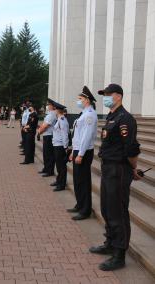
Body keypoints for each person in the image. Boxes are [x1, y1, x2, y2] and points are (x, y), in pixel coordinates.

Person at [89, 84, 140, 271]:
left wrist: (133, 168)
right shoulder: (112, 116)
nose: (105, 98)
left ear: (118, 96)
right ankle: (110, 242)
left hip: (119, 169)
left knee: (117, 211)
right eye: (104, 95)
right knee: (107, 208)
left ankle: (119, 254)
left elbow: (131, 148)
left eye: (108, 95)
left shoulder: (125, 118)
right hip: (108, 167)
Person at [68, 86, 98, 221]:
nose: (78, 101)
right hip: (78, 150)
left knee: (83, 181)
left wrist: (80, 154)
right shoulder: (84, 113)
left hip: (84, 152)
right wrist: (73, 152)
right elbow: (77, 136)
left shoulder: (90, 115)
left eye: (80, 99)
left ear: (87, 100)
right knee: (77, 180)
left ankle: (85, 210)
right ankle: (80, 204)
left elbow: (86, 136)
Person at [50, 101, 69, 191]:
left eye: (55, 109)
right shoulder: (59, 120)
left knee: (61, 166)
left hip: (60, 146)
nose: (54, 111)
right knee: (58, 165)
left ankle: (62, 184)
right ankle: (59, 181)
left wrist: (65, 147)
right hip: (57, 145)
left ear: (57, 110)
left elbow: (65, 135)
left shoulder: (62, 120)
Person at [37, 99, 57, 177]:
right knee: (46, 154)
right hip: (46, 135)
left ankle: (49, 170)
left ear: (52, 106)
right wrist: (40, 130)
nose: (47, 106)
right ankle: (46, 168)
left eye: (48, 105)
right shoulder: (49, 114)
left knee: (49, 154)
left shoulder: (52, 114)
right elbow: (43, 124)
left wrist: (39, 132)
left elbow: (45, 126)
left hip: (49, 136)